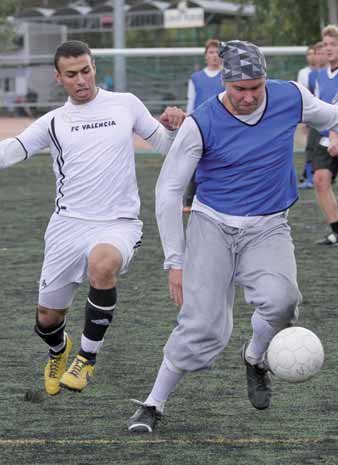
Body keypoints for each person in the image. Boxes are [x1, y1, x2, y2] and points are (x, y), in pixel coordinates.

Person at [127, 40, 338, 433]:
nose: (248, 97)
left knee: (283, 301)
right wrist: (175, 259)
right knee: (201, 327)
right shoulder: (201, 122)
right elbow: (169, 190)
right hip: (212, 225)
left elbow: (331, 115)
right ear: (225, 82)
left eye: (255, 88)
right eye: (240, 89)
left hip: (269, 225)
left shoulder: (290, 96)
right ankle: (153, 403)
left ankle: (255, 358)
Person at [0, 40, 185, 396]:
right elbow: (12, 151)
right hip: (67, 226)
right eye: (72, 74)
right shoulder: (54, 121)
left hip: (118, 222)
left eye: (86, 70)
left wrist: (174, 126)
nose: (82, 79)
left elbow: (165, 146)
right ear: (59, 78)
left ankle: (86, 357)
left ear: (94, 67)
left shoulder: (126, 104)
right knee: (46, 319)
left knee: (103, 264)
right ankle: (59, 349)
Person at [184, 39, 224, 213]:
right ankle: (189, 200)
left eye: (217, 52)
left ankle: (220, 199)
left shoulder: (227, 76)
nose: (214, 56)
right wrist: (188, 122)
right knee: (195, 161)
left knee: (221, 162)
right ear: (205, 55)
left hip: (223, 126)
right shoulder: (196, 78)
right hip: (201, 126)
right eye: (211, 52)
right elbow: (191, 102)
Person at [312, 25, 338, 245]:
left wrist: (335, 135)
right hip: (324, 138)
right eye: (326, 44)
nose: (329, 48)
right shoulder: (319, 75)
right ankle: (336, 230)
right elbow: (318, 107)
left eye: (333, 44)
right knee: (320, 180)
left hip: (336, 136)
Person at [299, 42, 328, 189]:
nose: (320, 55)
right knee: (311, 147)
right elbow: (312, 96)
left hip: (331, 118)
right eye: (317, 53)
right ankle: (310, 178)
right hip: (318, 119)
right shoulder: (311, 75)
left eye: (321, 52)